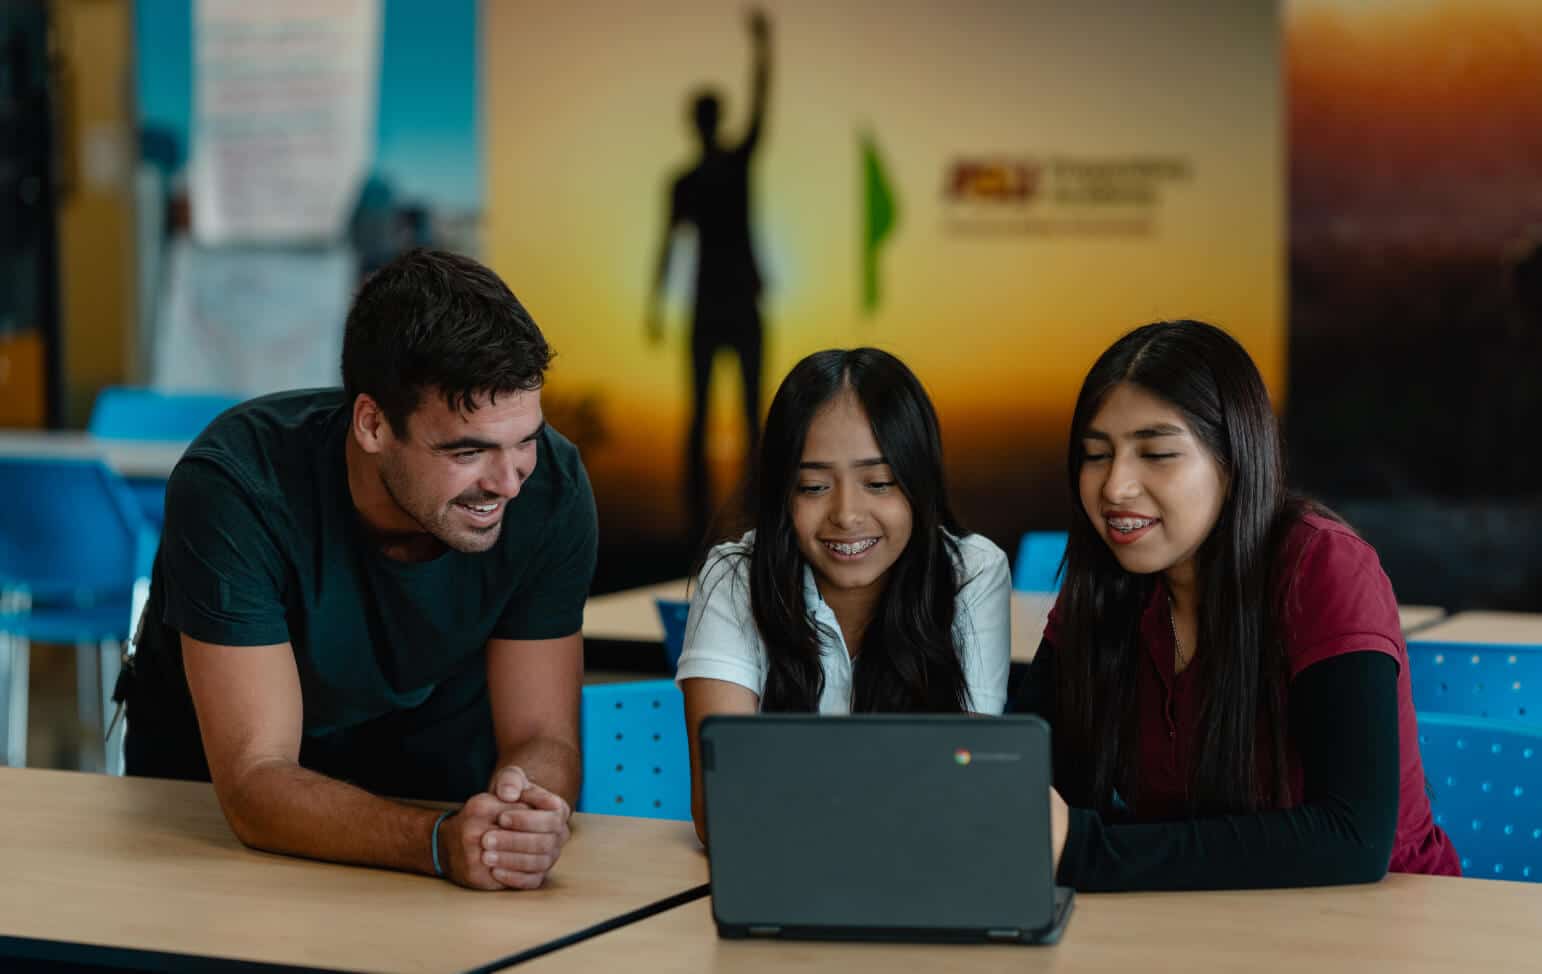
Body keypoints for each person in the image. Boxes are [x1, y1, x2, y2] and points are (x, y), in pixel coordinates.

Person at [121, 249, 598, 891]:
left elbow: (543, 736)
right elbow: (257, 781)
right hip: (207, 842)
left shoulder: (554, 490)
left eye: (526, 440)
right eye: (467, 450)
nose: (508, 481)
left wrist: (521, 818)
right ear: (372, 424)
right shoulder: (237, 485)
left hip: (439, 811)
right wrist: (435, 844)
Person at [1018, 319, 1460, 890]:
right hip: (1200, 918)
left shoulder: (1320, 567)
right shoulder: (1106, 584)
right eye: (1095, 455)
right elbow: (1032, 781)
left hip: (1388, 925)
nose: (1114, 487)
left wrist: (1090, 852)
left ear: (1234, 462)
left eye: (1156, 453)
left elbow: (1354, 837)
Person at [677, 347, 1011, 843]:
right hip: (778, 883)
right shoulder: (735, 577)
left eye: (879, 482)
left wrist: (789, 795)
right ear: (780, 494)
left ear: (920, 485)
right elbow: (723, 808)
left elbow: (962, 790)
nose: (847, 514)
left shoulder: (970, 572)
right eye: (812, 487)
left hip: (916, 882)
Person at [646, 9, 772, 544]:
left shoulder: (701, 176)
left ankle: (745, 521)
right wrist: (654, 304)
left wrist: (764, 53)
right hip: (727, 303)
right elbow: (668, 244)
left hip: (728, 303)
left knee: (738, 416)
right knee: (721, 417)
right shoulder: (698, 178)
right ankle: (704, 525)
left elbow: (666, 246)